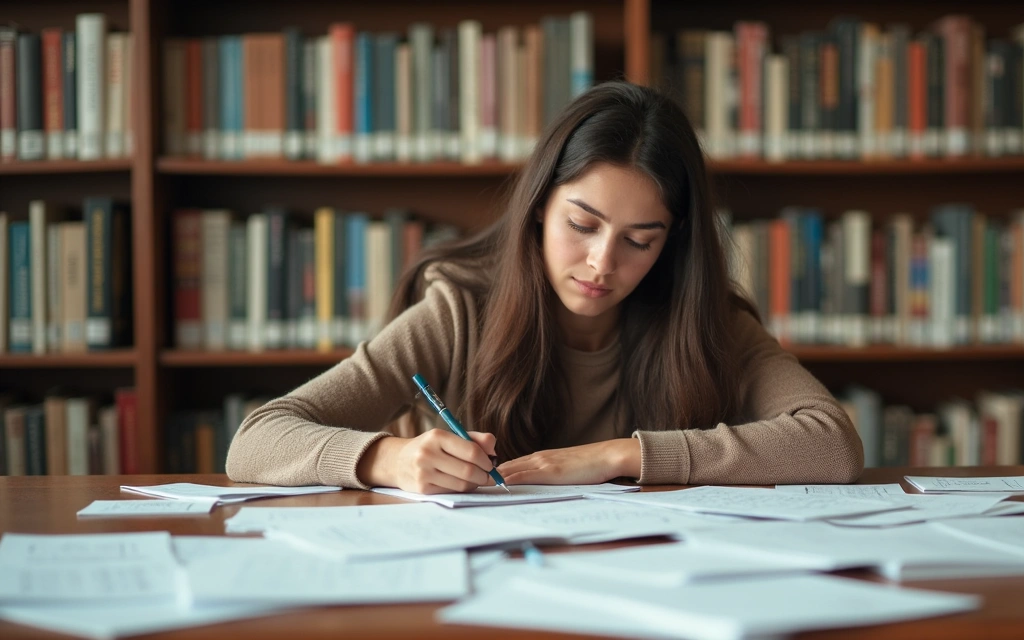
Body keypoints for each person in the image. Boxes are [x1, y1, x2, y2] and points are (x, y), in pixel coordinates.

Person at [226, 81, 863, 493]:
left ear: (673, 240)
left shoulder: (707, 322)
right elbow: (257, 440)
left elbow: (832, 445)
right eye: (581, 225)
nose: (600, 262)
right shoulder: (460, 310)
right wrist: (386, 459)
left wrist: (621, 456)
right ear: (538, 207)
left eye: (640, 240)